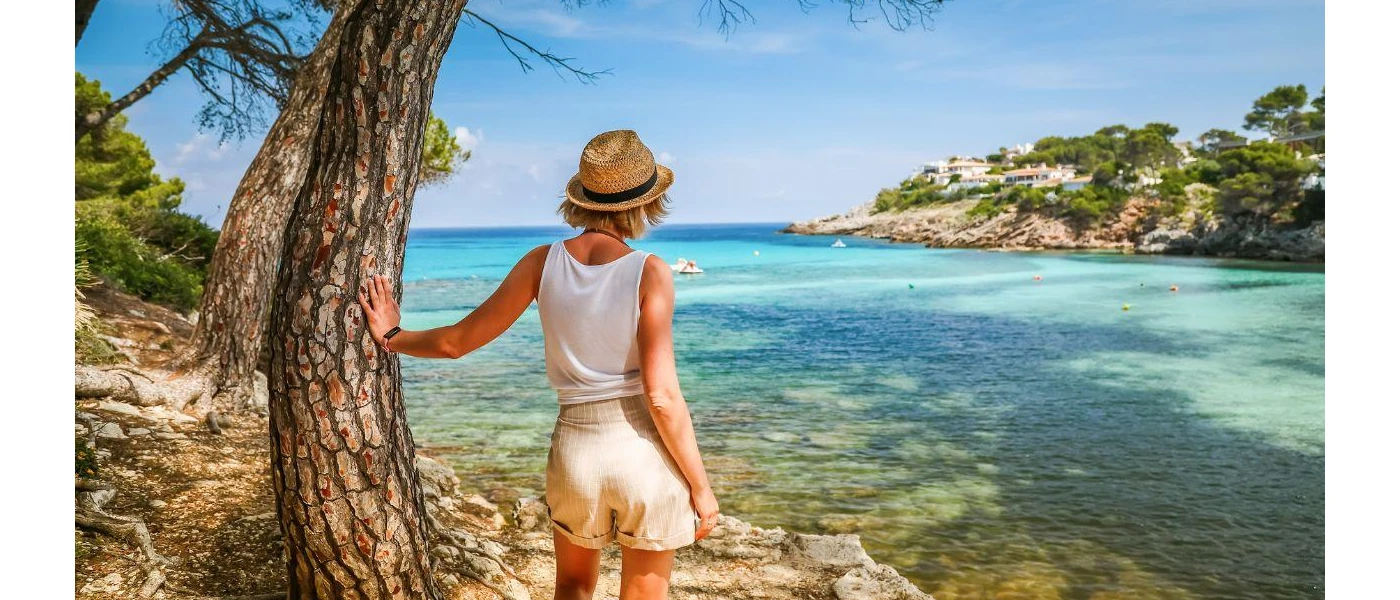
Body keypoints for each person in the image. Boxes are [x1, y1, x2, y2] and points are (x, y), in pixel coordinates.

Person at [355, 130, 719, 600]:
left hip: (576, 453)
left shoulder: (540, 263)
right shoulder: (650, 272)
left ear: (583, 197)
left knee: (570, 587)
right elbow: (662, 397)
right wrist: (701, 486)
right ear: (646, 204)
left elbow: (455, 343)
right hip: (643, 451)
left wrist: (391, 335)